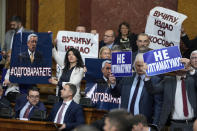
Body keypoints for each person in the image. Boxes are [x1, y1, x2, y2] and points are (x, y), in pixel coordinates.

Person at [144, 58, 197, 130]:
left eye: (184, 64)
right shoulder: (168, 80)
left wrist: (191, 68)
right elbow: (152, 90)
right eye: (179, 64)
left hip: (194, 124)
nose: (182, 66)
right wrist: (147, 78)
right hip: (175, 125)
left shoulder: (193, 79)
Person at [109, 53, 161, 124]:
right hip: (125, 121)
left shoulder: (155, 80)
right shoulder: (127, 77)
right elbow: (116, 94)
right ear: (134, 64)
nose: (140, 68)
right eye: (138, 65)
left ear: (147, 65)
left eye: (142, 65)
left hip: (143, 123)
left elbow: (158, 105)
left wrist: (155, 125)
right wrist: (113, 84)